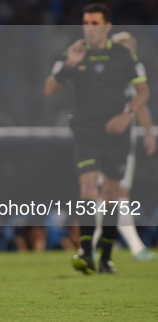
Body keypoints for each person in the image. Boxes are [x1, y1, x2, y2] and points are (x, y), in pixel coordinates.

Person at [44, 3, 150, 274]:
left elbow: (143, 93)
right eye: (85, 22)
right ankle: (86, 251)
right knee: (88, 190)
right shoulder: (75, 52)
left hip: (117, 134)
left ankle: (105, 256)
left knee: (113, 196)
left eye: (94, 23)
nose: (88, 28)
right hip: (85, 132)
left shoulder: (123, 56)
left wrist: (127, 115)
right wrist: (69, 66)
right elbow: (49, 89)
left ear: (106, 26)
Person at [90, 31, 157, 261]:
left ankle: (94, 242)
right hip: (104, 141)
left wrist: (148, 133)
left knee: (111, 193)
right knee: (116, 192)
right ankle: (135, 245)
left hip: (125, 143)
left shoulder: (131, 76)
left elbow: (142, 106)